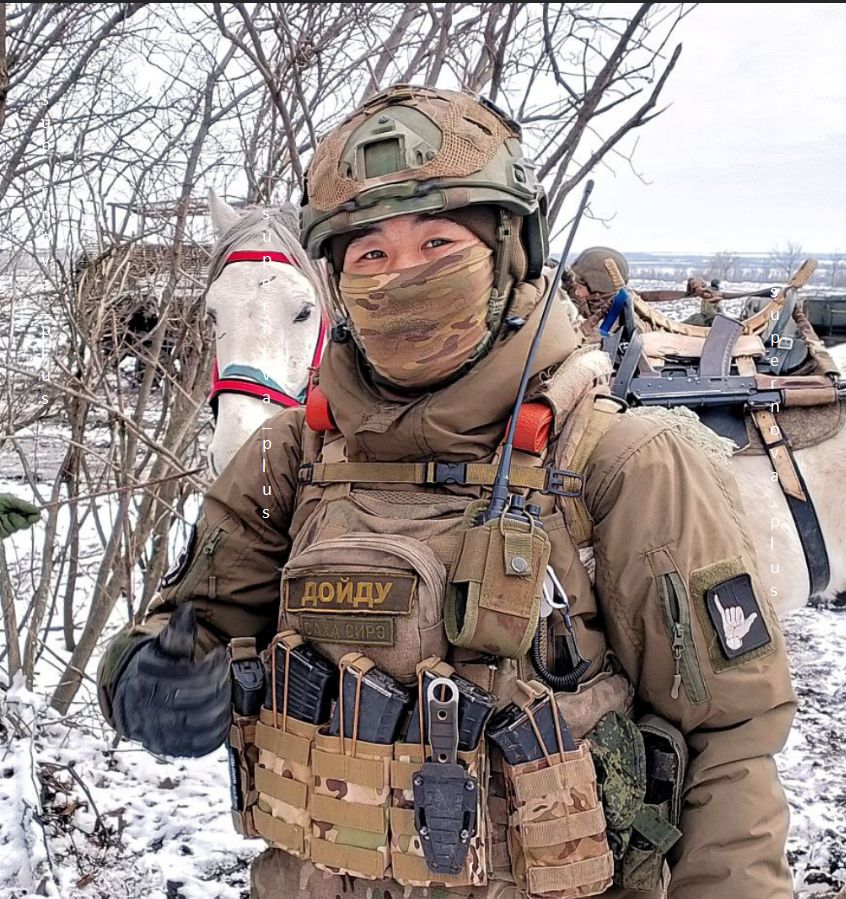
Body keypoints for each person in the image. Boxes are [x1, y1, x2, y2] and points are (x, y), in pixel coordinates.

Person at [97, 85, 797, 899]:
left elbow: (730, 741)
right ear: (336, 283)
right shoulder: (288, 458)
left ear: (507, 253)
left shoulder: (627, 461)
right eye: (371, 255)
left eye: (437, 241)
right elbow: (184, 624)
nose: (405, 276)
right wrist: (149, 682)